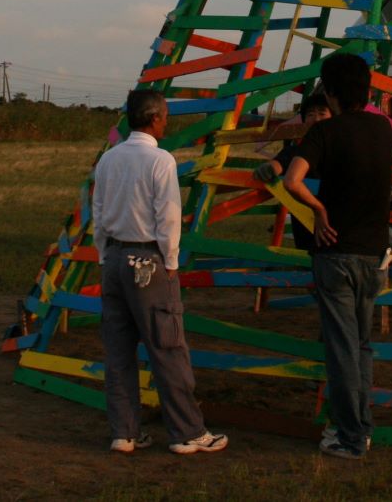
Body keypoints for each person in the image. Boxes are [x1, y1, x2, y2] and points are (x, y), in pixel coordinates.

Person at [91, 89, 228, 456]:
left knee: (119, 351)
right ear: (154, 119)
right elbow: (168, 217)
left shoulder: (109, 160)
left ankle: (124, 432)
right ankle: (187, 431)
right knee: (167, 347)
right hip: (149, 261)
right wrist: (170, 263)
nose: (167, 122)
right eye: (165, 116)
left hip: (115, 260)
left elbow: (99, 212)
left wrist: (105, 256)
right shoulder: (160, 160)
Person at [283, 52, 392, 461]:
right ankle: (361, 428)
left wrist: (319, 209)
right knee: (362, 346)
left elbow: (292, 181)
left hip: (335, 253)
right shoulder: (383, 129)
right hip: (373, 254)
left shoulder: (324, 133)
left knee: (342, 348)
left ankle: (349, 436)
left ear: (329, 92)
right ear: (366, 89)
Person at [254, 90, 333, 252]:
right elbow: (279, 163)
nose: (316, 118)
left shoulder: (344, 149)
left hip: (338, 227)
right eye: (311, 114)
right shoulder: (296, 151)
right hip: (306, 225)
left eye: (322, 113)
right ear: (304, 121)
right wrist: (269, 168)